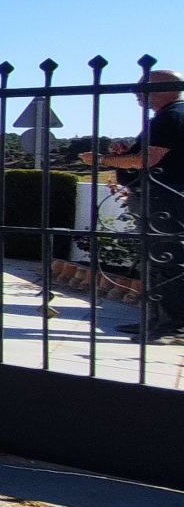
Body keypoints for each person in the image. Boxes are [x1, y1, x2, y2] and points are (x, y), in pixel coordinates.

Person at [79, 69, 183, 343]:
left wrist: (101, 161)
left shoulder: (171, 116)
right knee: (156, 262)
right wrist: (127, 150)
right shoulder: (168, 117)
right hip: (161, 199)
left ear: (166, 88)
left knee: (169, 263)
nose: (138, 94)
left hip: (167, 201)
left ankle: (173, 328)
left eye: (143, 88)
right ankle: (156, 322)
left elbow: (147, 160)